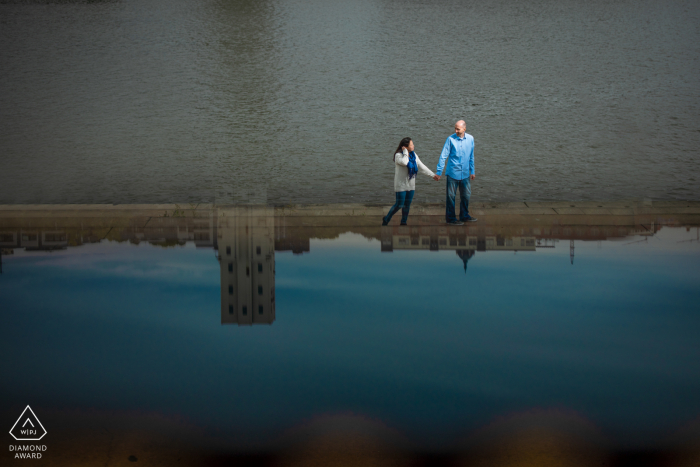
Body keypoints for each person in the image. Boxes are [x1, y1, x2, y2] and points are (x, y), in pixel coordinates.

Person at [383, 137, 439, 226]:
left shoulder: (414, 155)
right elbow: (405, 162)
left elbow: (421, 167)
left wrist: (433, 175)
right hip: (401, 185)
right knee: (399, 204)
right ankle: (386, 219)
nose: (413, 146)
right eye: (411, 144)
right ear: (405, 146)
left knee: (407, 205)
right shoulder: (398, 155)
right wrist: (405, 152)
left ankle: (404, 222)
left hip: (411, 185)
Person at [435, 120, 478, 225]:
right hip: (452, 173)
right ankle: (451, 219)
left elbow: (471, 156)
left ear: (464, 129)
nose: (456, 130)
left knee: (466, 195)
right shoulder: (450, 139)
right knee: (450, 197)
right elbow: (443, 156)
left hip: (465, 174)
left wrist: (472, 171)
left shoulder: (471, 139)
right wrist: (439, 171)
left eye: (458, 129)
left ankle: (464, 216)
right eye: (455, 128)